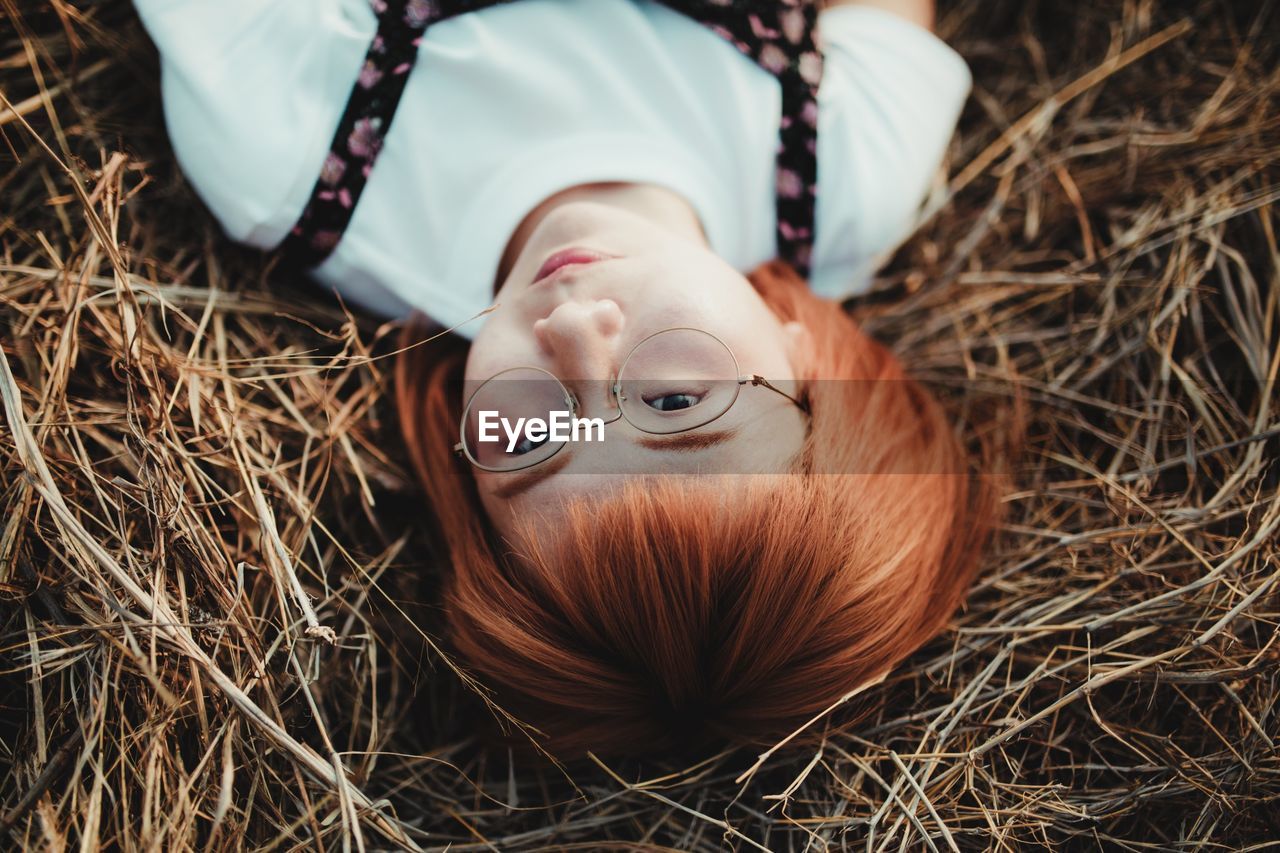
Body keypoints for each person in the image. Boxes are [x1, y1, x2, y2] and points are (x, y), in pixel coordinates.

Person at [135, 0, 1001, 754]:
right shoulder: (843, 182)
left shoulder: (296, 165)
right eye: (672, 399)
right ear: (804, 364)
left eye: (532, 435)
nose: (574, 332)